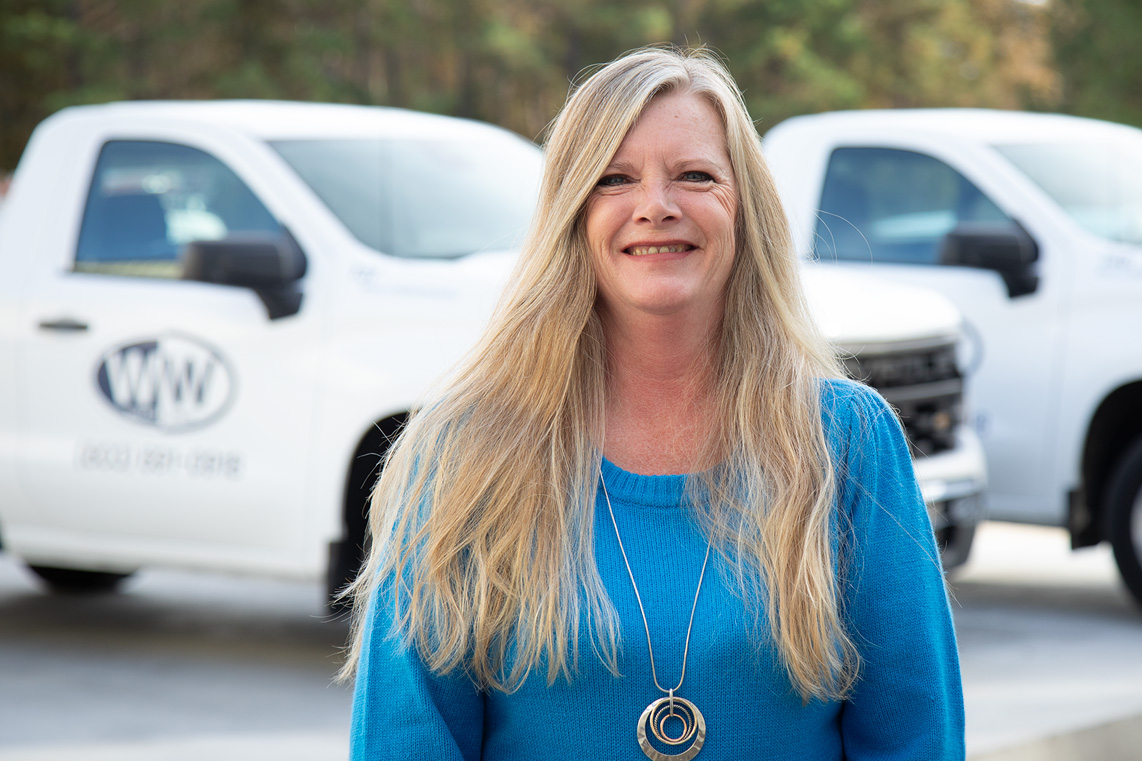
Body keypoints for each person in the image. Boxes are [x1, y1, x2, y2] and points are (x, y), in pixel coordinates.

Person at [343, 46, 964, 760]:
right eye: (614, 179)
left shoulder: (848, 442)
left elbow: (915, 737)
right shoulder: (461, 450)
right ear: (571, 214)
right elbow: (405, 740)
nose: (656, 206)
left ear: (746, 209)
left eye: (695, 176)